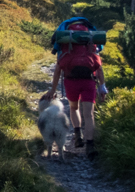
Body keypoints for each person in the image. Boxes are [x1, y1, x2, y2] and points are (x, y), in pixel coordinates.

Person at [43, 28, 106, 158]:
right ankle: (90, 146)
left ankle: (78, 135)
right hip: (89, 81)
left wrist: (53, 89)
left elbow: (58, 69)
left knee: (74, 107)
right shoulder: (90, 42)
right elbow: (99, 68)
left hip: (71, 82)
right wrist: (102, 87)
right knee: (89, 115)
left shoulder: (66, 44)